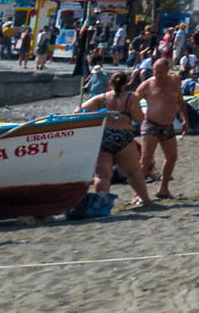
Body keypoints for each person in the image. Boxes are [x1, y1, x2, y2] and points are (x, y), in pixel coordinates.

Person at [79, 72, 153, 209]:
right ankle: (146, 200)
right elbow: (139, 119)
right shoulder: (131, 98)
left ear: (109, 84)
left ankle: (101, 205)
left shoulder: (101, 98)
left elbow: (80, 110)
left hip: (104, 136)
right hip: (123, 135)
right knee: (133, 172)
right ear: (127, 83)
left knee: (102, 175)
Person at [134, 57, 187, 200]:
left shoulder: (175, 81)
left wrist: (184, 119)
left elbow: (180, 101)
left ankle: (163, 188)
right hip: (151, 124)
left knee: (172, 157)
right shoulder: (147, 85)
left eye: (161, 73)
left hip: (168, 125)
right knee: (146, 159)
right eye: (156, 72)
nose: (158, 75)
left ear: (168, 70)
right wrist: (138, 117)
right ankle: (137, 193)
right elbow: (132, 102)